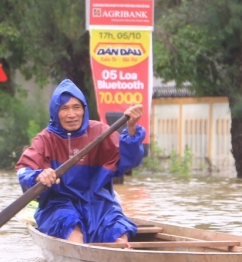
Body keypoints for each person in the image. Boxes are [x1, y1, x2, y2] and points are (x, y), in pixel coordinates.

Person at [15, 79, 145, 244]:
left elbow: (129, 161)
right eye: (64, 108)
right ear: (56, 112)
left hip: (98, 202)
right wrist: (39, 175)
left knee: (119, 232)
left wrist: (132, 129)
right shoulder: (45, 139)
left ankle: (122, 255)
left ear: (84, 110)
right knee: (73, 231)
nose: (71, 114)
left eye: (76, 107)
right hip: (59, 204)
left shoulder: (100, 132)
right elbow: (23, 170)